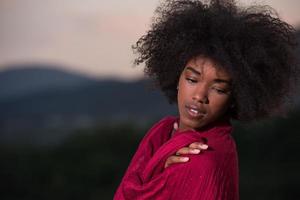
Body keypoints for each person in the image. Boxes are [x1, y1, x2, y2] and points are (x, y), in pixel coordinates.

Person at [114, 0, 298, 199]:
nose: (199, 96)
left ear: (236, 97)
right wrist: (162, 169)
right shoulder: (163, 132)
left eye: (218, 89)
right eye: (192, 79)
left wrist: (171, 175)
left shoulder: (202, 161)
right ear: (177, 77)